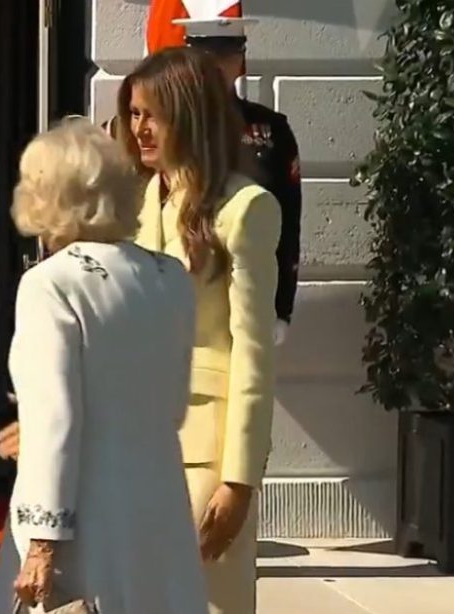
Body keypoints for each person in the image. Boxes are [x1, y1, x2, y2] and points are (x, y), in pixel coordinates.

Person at [0, 118, 206, 613]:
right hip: (160, 506)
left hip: (86, 518)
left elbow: (54, 421)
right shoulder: (170, 276)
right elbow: (172, 402)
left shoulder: (51, 283)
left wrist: (42, 541)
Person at [116, 46, 281, 614]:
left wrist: (238, 480)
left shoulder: (245, 207)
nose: (139, 129)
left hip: (204, 450)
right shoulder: (133, 202)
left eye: (151, 114)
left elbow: (254, 356)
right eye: (132, 113)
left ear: (189, 114)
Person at [172, 12, 303, 345]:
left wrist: (281, 307)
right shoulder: (164, 128)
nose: (219, 64)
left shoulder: (270, 130)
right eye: (207, 55)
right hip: (178, 297)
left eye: (229, 53)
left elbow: (288, 223)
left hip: (248, 298)